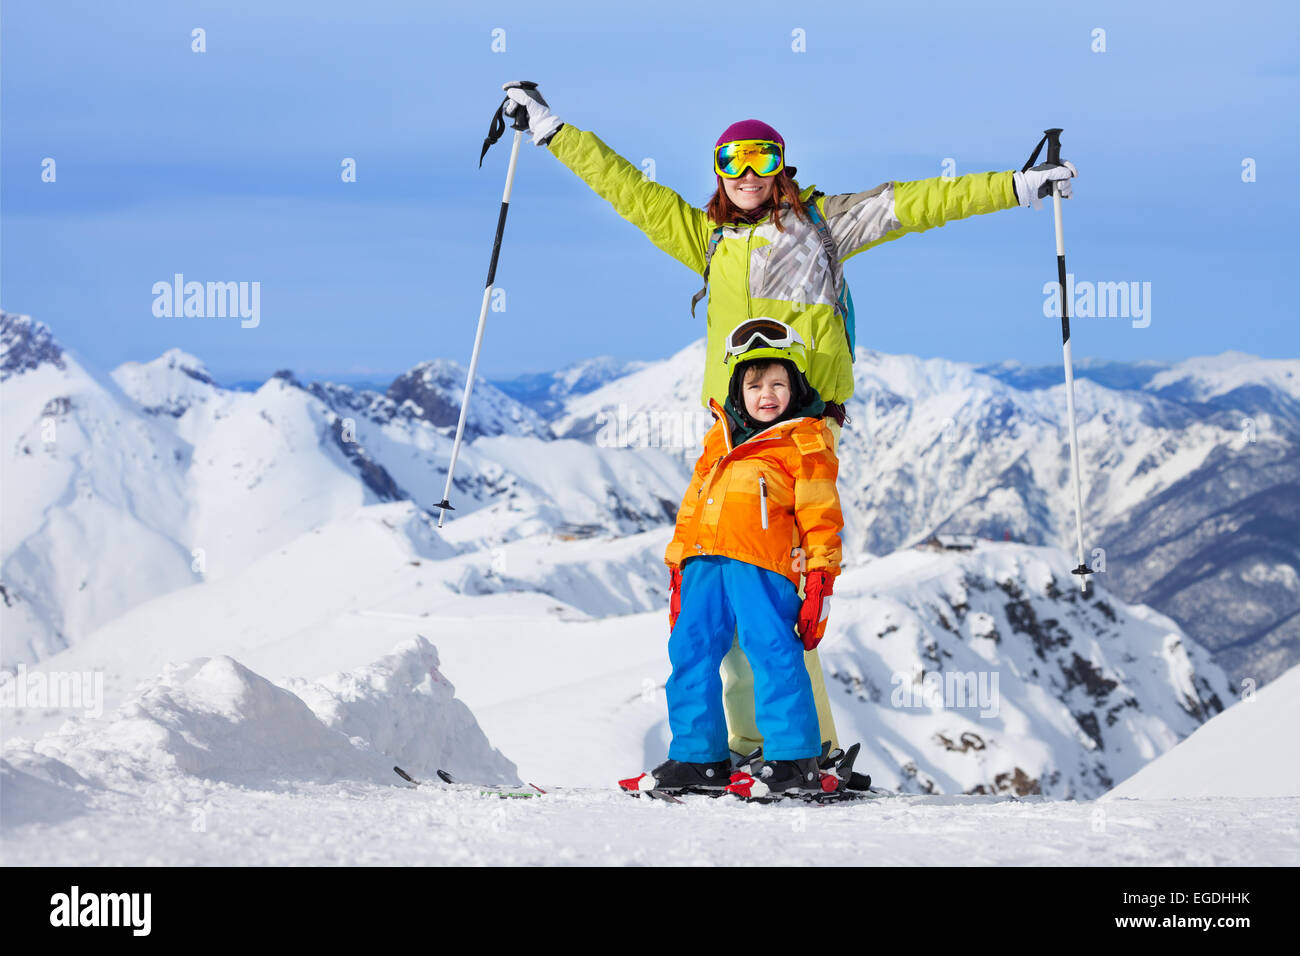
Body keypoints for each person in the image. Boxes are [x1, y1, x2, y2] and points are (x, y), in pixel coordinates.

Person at [501, 80, 1077, 758]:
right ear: (719, 171)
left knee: (775, 605)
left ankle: (807, 752)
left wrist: (1019, 185)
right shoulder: (705, 237)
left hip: (798, 432)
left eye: (764, 159)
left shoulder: (823, 225)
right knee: (735, 612)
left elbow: (920, 202)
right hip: (729, 437)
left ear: (783, 167)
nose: (748, 174)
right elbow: (625, 188)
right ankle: (757, 750)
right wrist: (549, 129)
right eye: (734, 161)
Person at [619, 320, 841, 796]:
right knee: (690, 653)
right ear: (739, 391)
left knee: (773, 652)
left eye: (778, 383)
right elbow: (693, 504)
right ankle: (699, 758)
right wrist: (679, 565)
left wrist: (821, 575)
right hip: (703, 563)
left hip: (762, 565)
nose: (767, 394)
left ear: (795, 386)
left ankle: (793, 759)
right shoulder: (718, 439)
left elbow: (821, 514)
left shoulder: (804, 440)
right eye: (754, 384)